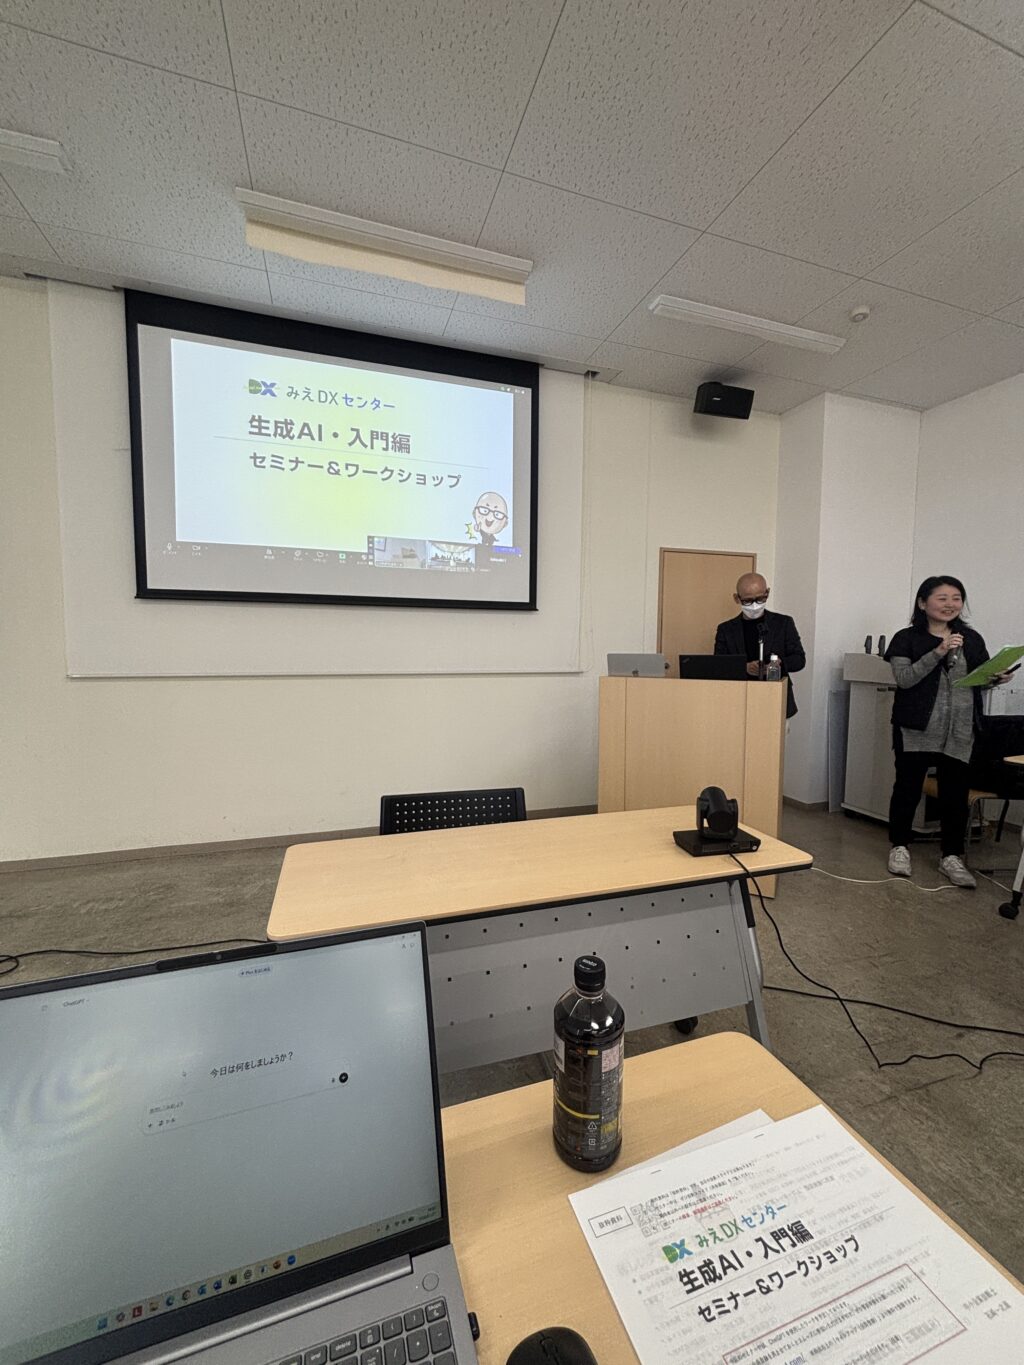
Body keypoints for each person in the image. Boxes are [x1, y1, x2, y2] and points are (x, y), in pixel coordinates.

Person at [884, 575, 1008, 888]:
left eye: (956, 598)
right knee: (908, 788)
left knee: (955, 794)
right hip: (916, 727)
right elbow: (905, 679)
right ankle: (899, 846)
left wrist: (995, 678)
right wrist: (938, 651)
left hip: (960, 728)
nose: (950, 604)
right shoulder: (906, 639)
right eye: (942, 598)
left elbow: (977, 679)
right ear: (923, 603)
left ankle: (951, 855)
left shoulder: (971, 638)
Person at [714, 573, 805, 718]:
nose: (755, 605)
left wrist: (778, 664)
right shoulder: (726, 629)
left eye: (760, 599)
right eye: (748, 601)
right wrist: (744, 667)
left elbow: (799, 660)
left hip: (776, 699)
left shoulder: (783, 623)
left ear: (767, 593)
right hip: (737, 701)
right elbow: (718, 666)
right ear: (737, 598)